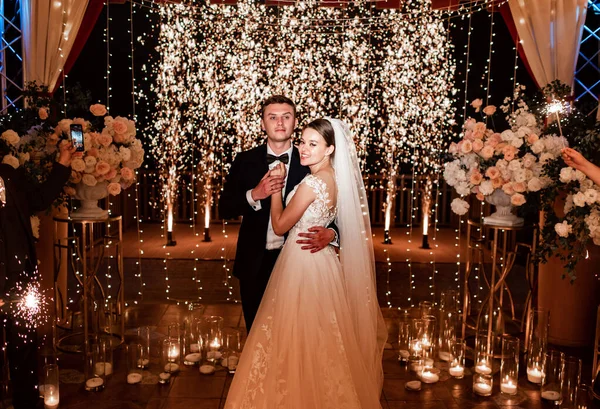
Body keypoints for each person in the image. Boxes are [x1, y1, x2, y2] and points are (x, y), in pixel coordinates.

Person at [224, 118, 387, 409]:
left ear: (329, 149)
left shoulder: (313, 181)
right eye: (303, 142)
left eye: (313, 144)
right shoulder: (334, 178)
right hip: (320, 264)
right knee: (322, 337)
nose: (304, 148)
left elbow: (280, 225)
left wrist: (276, 189)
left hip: (301, 264)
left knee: (293, 335)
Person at [219, 95, 338, 332]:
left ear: (295, 122)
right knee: (256, 336)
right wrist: (254, 194)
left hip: (300, 264)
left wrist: (333, 234)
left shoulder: (311, 159)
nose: (280, 123)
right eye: (272, 117)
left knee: (296, 335)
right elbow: (224, 208)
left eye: (287, 117)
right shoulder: (244, 160)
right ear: (263, 123)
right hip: (254, 263)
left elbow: (335, 208)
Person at [0, 140, 77, 409]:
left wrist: (64, 161)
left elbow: (39, 199)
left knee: (23, 347)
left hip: (17, 274)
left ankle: (26, 401)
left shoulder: (9, 173)